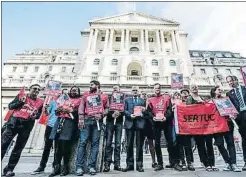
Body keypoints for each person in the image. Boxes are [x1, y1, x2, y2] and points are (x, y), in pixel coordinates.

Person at [2, 84, 44, 177]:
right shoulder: (21, 96)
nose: (36, 91)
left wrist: (35, 115)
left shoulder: (41, 101)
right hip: (13, 123)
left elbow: (39, 114)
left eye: (38, 90)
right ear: (30, 89)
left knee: (18, 149)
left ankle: (9, 169)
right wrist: (20, 102)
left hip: (26, 126)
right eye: (34, 89)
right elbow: (10, 106)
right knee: (3, 145)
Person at [31, 89, 68, 175]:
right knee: (47, 147)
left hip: (59, 126)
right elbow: (47, 113)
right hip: (50, 126)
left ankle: (55, 166)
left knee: (57, 148)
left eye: (65, 92)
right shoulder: (52, 102)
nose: (63, 93)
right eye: (62, 92)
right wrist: (46, 108)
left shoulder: (66, 103)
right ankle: (41, 166)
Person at [76, 80, 109, 176]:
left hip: (98, 121)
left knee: (95, 144)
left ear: (97, 85)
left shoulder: (104, 96)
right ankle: (79, 167)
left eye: (92, 84)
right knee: (83, 142)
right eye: (90, 85)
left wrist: (102, 115)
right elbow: (81, 106)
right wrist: (81, 118)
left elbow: (107, 108)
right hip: (87, 119)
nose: (90, 86)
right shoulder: (85, 95)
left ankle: (92, 166)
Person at [147, 83, 181, 171]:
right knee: (157, 143)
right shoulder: (150, 99)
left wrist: (166, 117)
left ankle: (173, 162)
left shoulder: (167, 97)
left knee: (170, 142)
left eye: (158, 88)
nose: (157, 90)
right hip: (156, 123)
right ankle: (160, 163)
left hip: (166, 122)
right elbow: (148, 111)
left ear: (160, 89)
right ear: (153, 90)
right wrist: (152, 117)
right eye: (155, 88)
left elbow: (170, 109)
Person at [48, 86, 81, 177]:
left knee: (65, 147)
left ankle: (65, 168)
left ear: (78, 92)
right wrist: (59, 109)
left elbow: (79, 112)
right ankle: (56, 167)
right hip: (59, 122)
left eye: (75, 91)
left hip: (70, 123)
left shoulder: (79, 100)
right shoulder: (64, 99)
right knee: (57, 146)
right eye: (72, 90)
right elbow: (57, 112)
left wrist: (70, 110)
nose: (73, 92)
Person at [186, 84, 218, 172]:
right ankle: (205, 163)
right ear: (190, 90)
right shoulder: (189, 99)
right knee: (201, 145)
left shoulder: (202, 98)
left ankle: (212, 163)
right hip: (197, 126)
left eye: (196, 87)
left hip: (206, 125)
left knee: (209, 144)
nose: (194, 88)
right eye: (192, 87)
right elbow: (189, 110)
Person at [211, 85, 241, 172]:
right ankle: (227, 162)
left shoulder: (226, 99)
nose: (220, 90)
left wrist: (233, 114)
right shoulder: (210, 102)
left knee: (230, 143)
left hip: (227, 123)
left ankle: (233, 163)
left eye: (220, 89)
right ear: (213, 91)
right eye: (218, 89)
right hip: (216, 126)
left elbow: (232, 109)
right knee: (219, 143)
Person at [122, 86, 146, 172]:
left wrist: (143, 112)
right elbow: (124, 110)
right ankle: (129, 165)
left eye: (136, 90)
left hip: (139, 123)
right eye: (133, 90)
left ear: (138, 91)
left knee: (139, 145)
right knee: (129, 145)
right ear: (131, 92)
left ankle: (139, 165)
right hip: (129, 123)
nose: (135, 92)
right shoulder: (127, 100)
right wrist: (129, 115)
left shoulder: (142, 100)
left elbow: (145, 112)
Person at [226, 75, 246, 171]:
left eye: (230, 81)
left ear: (236, 80)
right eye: (228, 82)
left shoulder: (244, 88)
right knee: (245, 138)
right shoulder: (229, 93)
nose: (230, 83)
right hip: (240, 117)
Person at [103, 86, 123, 172]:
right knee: (108, 143)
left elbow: (125, 110)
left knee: (118, 144)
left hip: (119, 122)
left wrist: (120, 113)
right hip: (110, 122)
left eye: (117, 89)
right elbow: (105, 109)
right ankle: (107, 164)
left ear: (119, 90)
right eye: (114, 89)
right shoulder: (109, 98)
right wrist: (112, 115)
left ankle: (117, 164)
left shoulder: (123, 98)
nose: (115, 90)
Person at [176, 89, 195, 171]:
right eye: (183, 93)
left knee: (188, 146)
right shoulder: (178, 103)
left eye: (186, 93)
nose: (184, 95)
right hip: (180, 128)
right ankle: (183, 162)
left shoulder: (191, 102)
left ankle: (189, 162)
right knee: (180, 146)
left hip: (188, 128)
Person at [141, 91, 157, 168]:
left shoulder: (151, 105)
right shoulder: (140, 104)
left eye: (146, 95)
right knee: (140, 144)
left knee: (151, 144)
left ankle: (154, 161)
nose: (145, 96)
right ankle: (140, 163)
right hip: (141, 125)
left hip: (149, 125)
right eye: (143, 94)